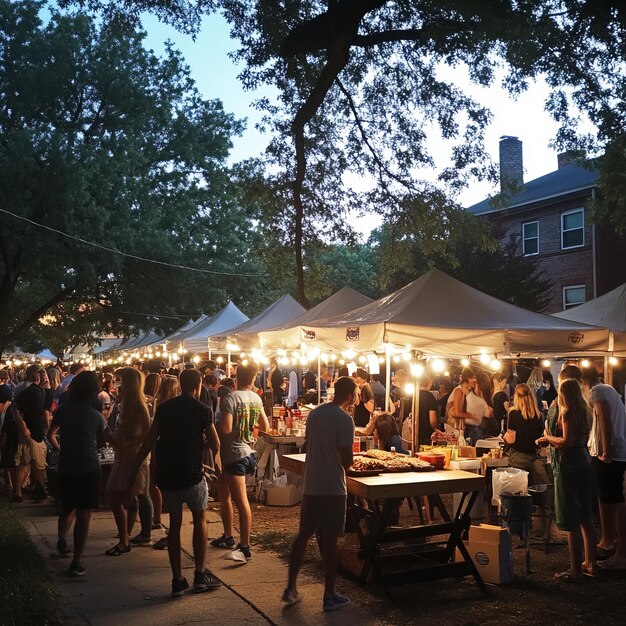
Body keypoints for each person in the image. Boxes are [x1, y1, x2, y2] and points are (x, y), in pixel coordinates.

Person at [130, 368, 221, 596]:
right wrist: (201, 448)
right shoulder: (202, 410)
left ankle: (177, 578)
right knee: (200, 519)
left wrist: (135, 466)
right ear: (198, 385)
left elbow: (150, 440)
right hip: (192, 473)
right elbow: (216, 444)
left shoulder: (164, 409)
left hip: (168, 474)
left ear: (181, 384)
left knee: (174, 526)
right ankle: (200, 573)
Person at [282, 376, 357, 611]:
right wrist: (348, 466)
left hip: (312, 483)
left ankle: (291, 587)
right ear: (350, 396)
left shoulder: (315, 414)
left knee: (304, 534)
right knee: (331, 540)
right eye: (356, 393)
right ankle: (329, 595)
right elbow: (346, 458)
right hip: (333, 486)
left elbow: (309, 442)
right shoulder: (345, 420)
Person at [47, 371, 107, 576]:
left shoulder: (63, 411)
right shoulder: (96, 416)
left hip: (66, 466)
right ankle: (77, 560)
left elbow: (50, 434)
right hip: (89, 467)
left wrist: (59, 448)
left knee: (66, 506)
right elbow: (102, 441)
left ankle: (62, 539)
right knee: (84, 514)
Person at [537, 378, 597, 581]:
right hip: (584, 461)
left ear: (564, 394)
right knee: (585, 516)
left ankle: (576, 570)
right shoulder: (585, 410)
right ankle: (591, 564)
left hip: (569, 464)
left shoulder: (568, 411)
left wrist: (547, 437)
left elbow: (567, 441)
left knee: (571, 517)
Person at [211, 363, 269, 560]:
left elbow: (226, 429)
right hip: (247, 452)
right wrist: (248, 425)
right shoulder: (256, 398)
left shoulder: (230, 398)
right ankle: (228, 536)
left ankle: (245, 545)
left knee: (241, 500)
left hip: (234, 453)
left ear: (236, 377)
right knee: (224, 492)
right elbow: (265, 425)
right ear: (253, 379)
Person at [104, 367, 151, 555]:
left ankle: (125, 539)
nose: (118, 385)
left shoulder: (139, 404)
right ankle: (125, 536)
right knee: (118, 496)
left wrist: (128, 442)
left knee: (120, 496)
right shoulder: (126, 403)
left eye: (122, 381)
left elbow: (147, 432)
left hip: (133, 457)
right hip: (123, 455)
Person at [584, 371, 626, 571]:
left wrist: (605, 450)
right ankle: (608, 540)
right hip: (616, 451)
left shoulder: (596, 392)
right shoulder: (608, 389)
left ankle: (621, 555)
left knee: (615, 499)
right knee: (607, 497)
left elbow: (605, 418)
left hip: (610, 453)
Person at [14, 364, 52, 501]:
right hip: (30, 431)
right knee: (26, 462)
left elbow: (45, 407)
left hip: (35, 431)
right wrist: (23, 427)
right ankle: (19, 492)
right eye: (44, 375)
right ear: (37, 375)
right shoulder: (31, 390)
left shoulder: (39, 390)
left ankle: (37, 488)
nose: (47, 378)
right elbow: (15, 407)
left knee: (36, 463)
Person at [503, 384, 549, 486]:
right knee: (531, 488)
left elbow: (511, 438)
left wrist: (505, 439)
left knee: (517, 490)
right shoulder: (538, 415)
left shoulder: (513, 413)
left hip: (517, 456)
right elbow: (539, 438)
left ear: (517, 396)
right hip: (533, 457)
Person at [445, 367, 483, 443]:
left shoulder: (467, 392)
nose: (475, 382)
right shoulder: (459, 390)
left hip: (460, 428)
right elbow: (456, 412)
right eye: (474, 379)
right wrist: (471, 416)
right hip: (454, 428)